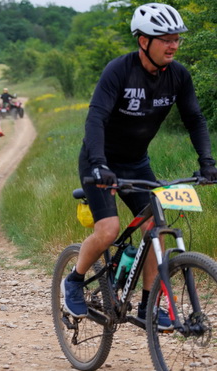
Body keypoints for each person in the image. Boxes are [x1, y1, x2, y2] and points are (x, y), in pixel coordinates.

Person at [61, 3, 217, 330]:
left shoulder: (178, 76)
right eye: (166, 39)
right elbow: (96, 119)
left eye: (177, 39)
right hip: (99, 161)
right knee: (108, 230)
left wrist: (207, 163)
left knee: (154, 229)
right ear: (143, 41)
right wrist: (99, 165)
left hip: (136, 163)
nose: (173, 45)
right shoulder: (119, 71)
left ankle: (148, 304)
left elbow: (195, 119)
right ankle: (74, 280)